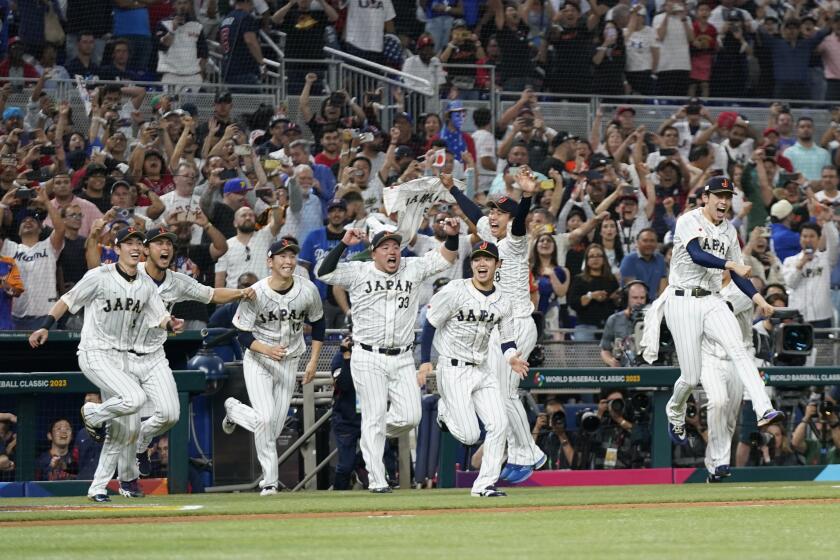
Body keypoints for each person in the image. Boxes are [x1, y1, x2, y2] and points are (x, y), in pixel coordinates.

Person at [28, 226, 184, 502]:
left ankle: (100, 487)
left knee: (126, 428)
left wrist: (171, 323)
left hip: (122, 359)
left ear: (144, 249)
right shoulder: (100, 276)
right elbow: (67, 299)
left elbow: (159, 316)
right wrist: (45, 326)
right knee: (134, 398)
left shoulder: (146, 284)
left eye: (139, 242)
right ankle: (92, 412)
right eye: (128, 243)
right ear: (117, 248)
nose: (135, 247)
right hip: (95, 352)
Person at [317, 217, 460, 493]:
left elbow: (447, 258)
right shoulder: (359, 271)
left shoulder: (412, 267)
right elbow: (324, 273)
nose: (392, 251)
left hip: (403, 357)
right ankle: (377, 479)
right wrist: (344, 243)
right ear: (374, 253)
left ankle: (370, 438)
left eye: (395, 246)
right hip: (367, 355)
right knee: (372, 416)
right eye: (385, 247)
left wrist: (452, 235)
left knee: (410, 417)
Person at [642, 176, 784, 448]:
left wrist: (759, 299)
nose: (724, 201)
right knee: (691, 377)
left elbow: (739, 275)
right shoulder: (688, 220)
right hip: (682, 299)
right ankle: (675, 411)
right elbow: (697, 254)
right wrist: (731, 263)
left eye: (728, 197)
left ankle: (763, 408)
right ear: (705, 198)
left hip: (711, 298)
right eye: (718, 195)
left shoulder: (729, 230)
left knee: (739, 348)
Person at [111, 227, 254, 481]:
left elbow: (211, 294)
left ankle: (142, 444)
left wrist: (241, 293)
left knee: (169, 414)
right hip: (120, 356)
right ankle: (126, 483)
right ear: (145, 249)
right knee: (124, 424)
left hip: (153, 355)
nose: (165, 248)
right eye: (158, 243)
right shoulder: (130, 273)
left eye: (169, 243)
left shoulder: (176, 282)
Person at [442, 167, 546, 484]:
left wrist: (527, 196)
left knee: (503, 393)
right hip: (499, 329)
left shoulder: (515, 239)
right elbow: (475, 214)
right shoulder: (489, 231)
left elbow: (521, 219)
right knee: (497, 392)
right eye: (493, 210)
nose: (494, 216)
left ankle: (525, 455)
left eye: (501, 211)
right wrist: (453, 190)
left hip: (518, 324)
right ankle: (527, 453)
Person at [419, 241, 529, 497]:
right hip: (453, 368)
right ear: (471, 264)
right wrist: (426, 360)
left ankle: (484, 485)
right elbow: (430, 324)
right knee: (469, 436)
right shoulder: (455, 290)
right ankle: (445, 413)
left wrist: (511, 357)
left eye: (487, 259)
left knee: (499, 423)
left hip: (482, 368)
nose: (482, 263)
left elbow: (507, 337)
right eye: (477, 259)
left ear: (497, 264)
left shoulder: (503, 299)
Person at [223, 238, 325, 496]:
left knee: (274, 428)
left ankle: (234, 410)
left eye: (291, 255)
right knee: (266, 419)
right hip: (259, 359)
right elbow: (242, 333)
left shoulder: (307, 289)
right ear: (270, 262)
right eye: (282, 256)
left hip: (290, 361)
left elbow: (319, 323)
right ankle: (269, 482)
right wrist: (266, 350)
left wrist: (313, 360)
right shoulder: (255, 292)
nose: (288, 260)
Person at [698, 274, 753, 482]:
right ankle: (718, 463)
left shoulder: (743, 289)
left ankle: (714, 468)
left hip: (737, 358)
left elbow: (721, 311)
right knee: (718, 402)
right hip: (711, 357)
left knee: (729, 420)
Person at [0, 187, 65, 330]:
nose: (28, 221)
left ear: (41, 229)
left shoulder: (49, 246)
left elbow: (60, 229)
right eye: (24, 221)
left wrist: (46, 202)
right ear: (18, 231)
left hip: (46, 315)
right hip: (15, 316)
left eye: (33, 220)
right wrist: (3, 205)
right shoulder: (9, 248)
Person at [781, 222, 839, 330]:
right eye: (804, 236)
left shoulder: (826, 259)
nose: (808, 240)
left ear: (819, 238)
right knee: (796, 347)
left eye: (812, 236)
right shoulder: (790, 261)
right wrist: (801, 264)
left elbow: (835, 243)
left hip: (822, 317)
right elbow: (790, 284)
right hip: (797, 317)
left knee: (823, 347)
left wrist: (827, 222)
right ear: (800, 238)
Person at [568, 243, 620, 341]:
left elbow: (617, 304)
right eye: (591, 256)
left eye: (599, 256)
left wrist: (615, 298)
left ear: (604, 259)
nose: (595, 259)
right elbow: (573, 303)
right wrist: (591, 296)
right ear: (587, 261)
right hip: (585, 325)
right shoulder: (579, 279)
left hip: (607, 324)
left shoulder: (611, 279)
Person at [330, 333, 362, 490]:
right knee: (345, 466)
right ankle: (338, 495)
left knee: (382, 452)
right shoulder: (338, 358)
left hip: (367, 416)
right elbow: (344, 384)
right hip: (345, 419)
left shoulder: (368, 358)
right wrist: (347, 357)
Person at [155, 0, 209, 89]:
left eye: (185, 3)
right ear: (173, 5)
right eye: (179, 3)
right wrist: (172, 30)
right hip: (171, 75)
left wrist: (200, 75)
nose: (182, 6)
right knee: (170, 103)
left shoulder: (197, 25)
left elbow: (204, 53)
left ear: (189, 5)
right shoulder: (163, 24)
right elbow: (163, 46)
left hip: (193, 77)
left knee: (191, 103)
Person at [599, 280, 648, 367]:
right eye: (635, 298)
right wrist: (611, 361)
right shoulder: (614, 319)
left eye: (642, 298)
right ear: (626, 298)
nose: (639, 301)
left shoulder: (653, 320)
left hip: (648, 368)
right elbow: (604, 349)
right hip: (623, 369)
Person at [218, 0, 265, 87]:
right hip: (245, 70)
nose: (252, 5)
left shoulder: (226, 19)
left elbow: (221, 45)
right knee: (252, 99)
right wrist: (261, 62)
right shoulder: (246, 17)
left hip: (228, 69)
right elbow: (250, 41)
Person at [619, 228, 667, 298]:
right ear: (638, 242)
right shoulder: (629, 260)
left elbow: (663, 288)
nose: (649, 244)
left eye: (652, 241)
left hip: (656, 305)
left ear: (657, 243)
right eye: (645, 240)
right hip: (636, 304)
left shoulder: (660, 259)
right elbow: (631, 290)